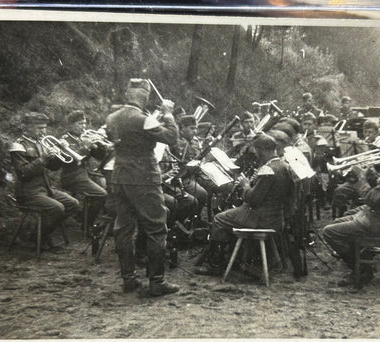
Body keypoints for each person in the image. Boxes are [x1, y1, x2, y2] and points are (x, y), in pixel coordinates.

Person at [106, 78, 179, 296]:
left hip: (119, 177)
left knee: (124, 230)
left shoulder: (111, 118)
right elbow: (172, 137)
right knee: (157, 227)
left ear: (128, 94)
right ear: (145, 96)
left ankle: (129, 279)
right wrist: (167, 113)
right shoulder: (143, 119)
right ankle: (157, 281)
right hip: (144, 179)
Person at [194, 134, 294, 276]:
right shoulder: (283, 165)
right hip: (276, 217)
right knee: (231, 215)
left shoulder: (268, 169)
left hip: (259, 218)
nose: (256, 155)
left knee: (219, 219)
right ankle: (237, 257)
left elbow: (253, 200)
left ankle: (216, 264)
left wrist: (245, 185)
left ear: (263, 150)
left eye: (256, 151)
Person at [322, 139, 380, 286]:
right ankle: (363, 258)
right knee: (339, 223)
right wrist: (369, 173)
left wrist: (361, 178)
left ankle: (362, 270)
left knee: (329, 232)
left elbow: (372, 199)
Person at [9, 112, 80, 248]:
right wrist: (43, 159)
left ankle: (40, 236)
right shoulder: (18, 145)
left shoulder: (41, 143)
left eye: (44, 127)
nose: (44, 131)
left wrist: (59, 153)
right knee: (57, 208)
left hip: (45, 189)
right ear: (27, 127)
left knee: (73, 204)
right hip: (28, 192)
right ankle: (35, 240)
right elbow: (23, 173)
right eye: (39, 128)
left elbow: (53, 168)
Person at [60, 110, 108, 233]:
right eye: (80, 124)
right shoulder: (65, 140)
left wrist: (98, 147)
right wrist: (86, 147)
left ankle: (85, 217)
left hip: (85, 174)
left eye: (85, 123)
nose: (84, 127)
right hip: (72, 175)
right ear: (71, 125)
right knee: (101, 194)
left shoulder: (82, 137)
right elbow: (69, 161)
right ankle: (87, 225)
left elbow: (99, 157)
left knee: (109, 186)